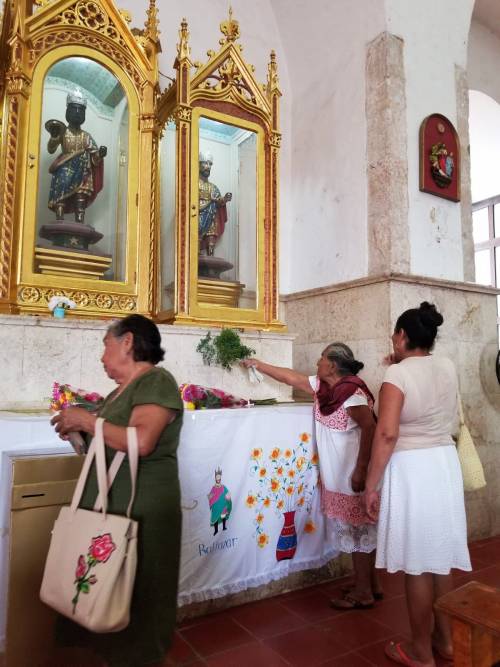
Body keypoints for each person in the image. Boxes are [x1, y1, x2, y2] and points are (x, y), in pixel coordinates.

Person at [51, 314, 183, 667]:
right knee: (106, 589)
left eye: (105, 345)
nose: (102, 356)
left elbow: (141, 443)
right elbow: (105, 447)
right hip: (113, 503)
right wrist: (78, 433)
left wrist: (86, 420)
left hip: (142, 508)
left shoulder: (157, 381)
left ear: (127, 342)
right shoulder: (117, 393)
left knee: (138, 590)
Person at [364, 302, 471, 667]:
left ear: (403, 336)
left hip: (413, 469)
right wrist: (399, 365)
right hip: (443, 464)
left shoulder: (396, 377)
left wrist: (370, 485)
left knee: (417, 563)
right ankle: (446, 641)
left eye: (395, 333)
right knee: (439, 558)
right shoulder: (447, 365)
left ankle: (420, 652)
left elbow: (387, 433)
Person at [241, 342, 378, 609]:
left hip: (352, 473)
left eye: (322, 358)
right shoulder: (326, 389)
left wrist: (361, 469)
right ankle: (369, 584)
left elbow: (370, 427)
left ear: (333, 365)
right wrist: (259, 364)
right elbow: (291, 377)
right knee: (357, 529)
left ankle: (364, 592)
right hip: (338, 474)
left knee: (358, 529)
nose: (318, 361)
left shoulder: (352, 393)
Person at [46, 89, 107, 223]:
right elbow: (51, 149)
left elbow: (94, 158)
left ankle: (79, 220)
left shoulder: (86, 136)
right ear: (68, 111)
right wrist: (54, 136)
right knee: (60, 196)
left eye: (81, 110)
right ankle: (59, 219)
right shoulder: (62, 131)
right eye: (74, 109)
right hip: (64, 169)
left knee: (81, 195)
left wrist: (100, 155)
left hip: (83, 171)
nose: (78, 113)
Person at [198, 150, 232, 256]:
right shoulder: (193, 184)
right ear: (199, 164)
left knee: (211, 235)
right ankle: (196, 256)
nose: (208, 166)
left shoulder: (213, 187)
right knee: (196, 236)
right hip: (197, 217)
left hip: (211, 217)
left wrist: (225, 199)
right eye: (205, 163)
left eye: (210, 164)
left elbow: (218, 202)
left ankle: (210, 257)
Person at [207, 467, 232, 535]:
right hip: (216, 507)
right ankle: (216, 530)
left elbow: (227, 493)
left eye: (219, 479)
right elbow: (211, 495)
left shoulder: (223, 487)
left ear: (220, 479)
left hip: (223, 505)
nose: (218, 480)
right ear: (215, 479)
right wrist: (210, 496)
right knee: (215, 518)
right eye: (217, 479)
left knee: (223, 516)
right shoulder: (213, 488)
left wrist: (228, 497)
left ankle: (224, 527)